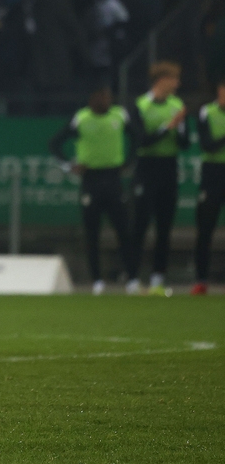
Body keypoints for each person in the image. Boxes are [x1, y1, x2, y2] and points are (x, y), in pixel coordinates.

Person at [50, 85, 135, 295]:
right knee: (91, 234)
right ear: (90, 100)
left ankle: (132, 278)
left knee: (123, 231)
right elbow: (55, 144)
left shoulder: (119, 115)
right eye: (98, 97)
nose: (102, 101)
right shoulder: (81, 119)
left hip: (113, 177)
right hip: (91, 179)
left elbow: (138, 138)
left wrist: (129, 162)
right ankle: (97, 281)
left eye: (105, 97)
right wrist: (69, 165)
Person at [126, 61, 188, 295]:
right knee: (140, 224)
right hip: (146, 168)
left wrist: (180, 129)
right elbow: (142, 140)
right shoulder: (140, 105)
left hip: (168, 167)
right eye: (175, 79)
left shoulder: (177, 105)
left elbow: (184, 144)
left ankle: (157, 279)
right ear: (162, 81)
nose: (178, 84)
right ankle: (132, 278)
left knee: (165, 227)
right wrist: (168, 127)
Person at [192, 79, 225, 295]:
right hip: (213, 174)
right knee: (205, 228)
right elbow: (208, 145)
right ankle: (201, 280)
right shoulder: (207, 113)